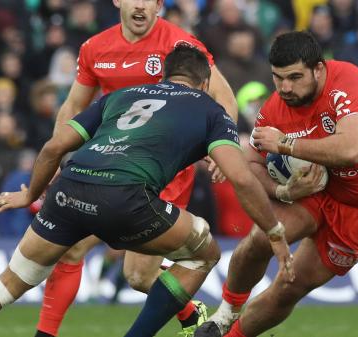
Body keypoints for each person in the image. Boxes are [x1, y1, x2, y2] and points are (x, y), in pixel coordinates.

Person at [0, 44, 294, 337]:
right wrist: (275, 232)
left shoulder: (121, 96)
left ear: (165, 75)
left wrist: (30, 195)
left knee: (5, 285)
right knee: (203, 253)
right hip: (125, 198)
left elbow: (53, 148)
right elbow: (243, 179)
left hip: (69, 189)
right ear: (203, 84)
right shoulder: (209, 109)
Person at [36, 1, 238, 336]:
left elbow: (223, 97)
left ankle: (188, 310)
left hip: (164, 170)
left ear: (159, 5)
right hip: (108, 164)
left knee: (139, 277)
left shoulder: (180, 46)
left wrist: (220, 148)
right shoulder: (95, 48)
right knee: (69, 247)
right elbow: (74, 104)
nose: (141, 4)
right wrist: (58, 153)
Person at [194, 31, 358, 337]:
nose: (286, 88)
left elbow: (352, 150)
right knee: (264, 237)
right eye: (278, 78)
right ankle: (223, 316)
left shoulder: (350, 84)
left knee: (289, 287)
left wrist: (287, 144)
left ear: (319, 69)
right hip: (316, 189)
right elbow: (250, 163)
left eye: (294, 77)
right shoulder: (274, 109)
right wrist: (282, 191)